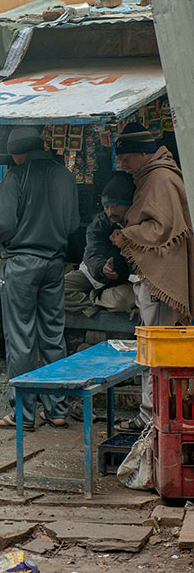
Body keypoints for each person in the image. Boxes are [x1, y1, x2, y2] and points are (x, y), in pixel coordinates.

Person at [0, 126, 79, 432]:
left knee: (20, 339)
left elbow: (4, 224)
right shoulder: (66, 176)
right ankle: (57, 410)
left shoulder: (16, 176)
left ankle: (22, 413)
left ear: (16, 153)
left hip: (21, 264)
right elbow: (74, 223)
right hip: (54, 264)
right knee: (53, 336)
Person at [109, 122, 194, 432]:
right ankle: (156, 414)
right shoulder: (154, 176)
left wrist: (127, 235)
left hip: (162, 282)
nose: (123, 165)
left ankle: (152, 417)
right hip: (156, 279)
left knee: (157, 352)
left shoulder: (159, 179)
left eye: (126, 158)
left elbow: (162, 231)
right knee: (154, 350)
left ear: (143, 154)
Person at [63, 172, 136, 315]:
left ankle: (100, 301)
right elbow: (92, 250)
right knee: (53, 291)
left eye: (115, 206)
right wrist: (103, 267)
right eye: (106, 207)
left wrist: (126, 245)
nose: (110, 212)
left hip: (124, 283)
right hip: (93, 275)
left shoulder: (139, 225)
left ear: (129, 205)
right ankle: (97, 303)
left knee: (122, 301)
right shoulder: (100, 224)